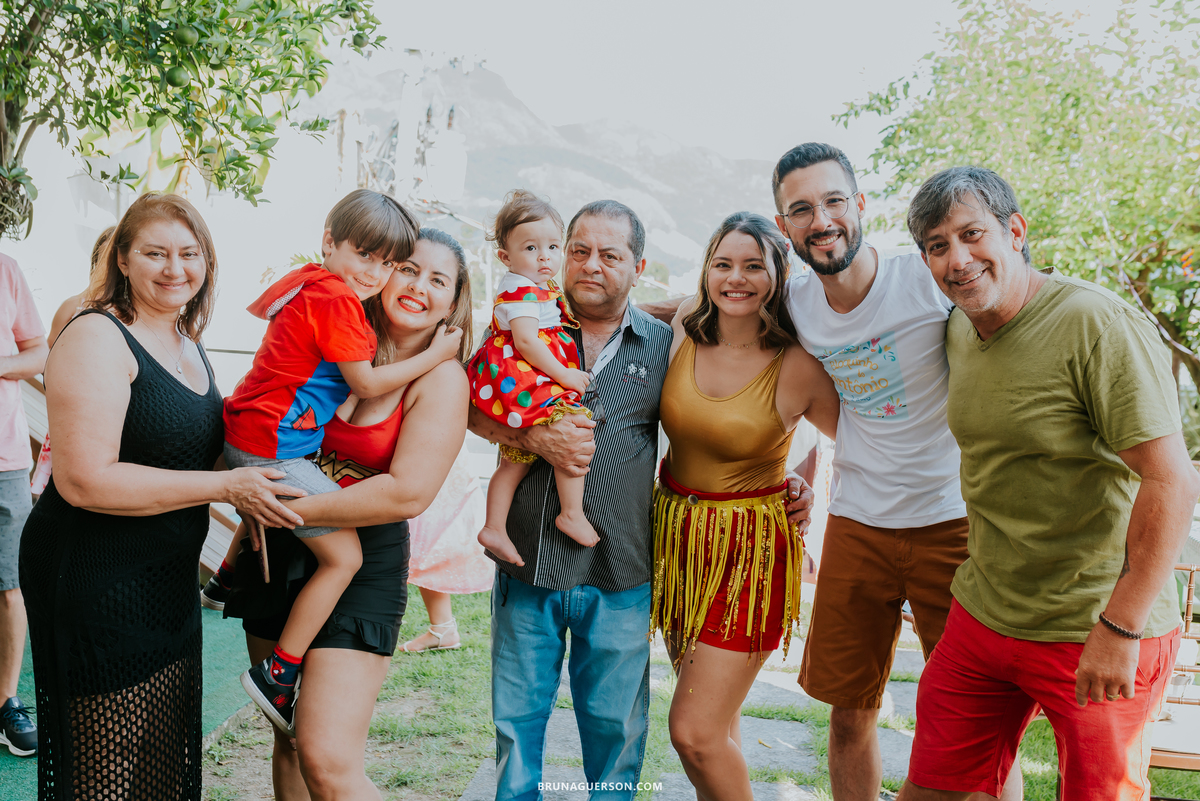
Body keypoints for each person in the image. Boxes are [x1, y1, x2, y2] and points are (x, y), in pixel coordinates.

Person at [468, 199, 816, 801]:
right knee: (517, 729)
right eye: (579, 251)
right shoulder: (520, 331)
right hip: (528, 563)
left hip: (621, 570)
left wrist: (781, 479)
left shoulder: (668, 345)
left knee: (616, 734)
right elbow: (470, 408)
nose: (591, 266)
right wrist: (527, 435)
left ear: (638, 265)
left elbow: (728, 410)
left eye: (611, 255)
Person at [896, 166, 1200, 801]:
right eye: (936, 245)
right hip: (985, 612)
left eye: (972, 234)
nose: (958, 260)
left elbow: (1171, 478)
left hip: (1095, 621)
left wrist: (1121, 629)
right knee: (931, 791)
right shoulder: (960, 326)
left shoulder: (1094, 323)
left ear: (1015, 231)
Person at [19, 192, 307, 800]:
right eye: (155, 253)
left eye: (189, 253)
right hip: (96, 573)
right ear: (122, 259)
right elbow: (85, 479)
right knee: (110, 760)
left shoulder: (183, 337)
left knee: (158, 746)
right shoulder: (98, 336)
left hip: (165, 573)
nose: (175, 268)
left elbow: (195, 443)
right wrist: (230, 487)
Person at [227, 226, 472, 800]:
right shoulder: (336, 333)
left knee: (328, 757)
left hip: (357, 559)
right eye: (408, 268)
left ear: (454, 302)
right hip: (281, 545)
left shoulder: (441, 379)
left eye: (438, 279)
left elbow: (406, 494)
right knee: (284, 738)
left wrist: (279, 507)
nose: (417, 286)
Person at [653, 212, 840, 800]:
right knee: (718, 724)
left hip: (750, 555)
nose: (737, 278)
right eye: (724, 264)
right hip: (677, 544)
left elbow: (864, 449)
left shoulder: (800, 366)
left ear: (778, 274)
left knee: (694, 733)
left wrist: (809, 489)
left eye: (754, 266)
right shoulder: (685, 322)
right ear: (707, 269)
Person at [471, 190, 596, 565]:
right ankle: (571, 513)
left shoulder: (537, 286)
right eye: (530, 248)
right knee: (573, 426)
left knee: (515, 458)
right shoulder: (519, 288)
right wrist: (566, 376)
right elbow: (526, 341)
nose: (544, 257)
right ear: (505, 257)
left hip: (521, 369)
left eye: (554, 246)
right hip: (521, 370)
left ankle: (494, 526)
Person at [0, 251, 47, 758]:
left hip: (5, 458)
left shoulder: (7, 268)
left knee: (10, 586)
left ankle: (6, 701)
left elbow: (38, 353)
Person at [31, 226, 115, 496]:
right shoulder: (74, 305)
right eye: (108, 257)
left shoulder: (130, 312)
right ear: (97, 261)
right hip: (74, 416)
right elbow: (48, 361)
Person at [399, 440, 491, 652]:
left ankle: (442, 628)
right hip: (441, 445)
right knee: (428, 535)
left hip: (433, 446)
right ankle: (442, 628)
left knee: (426, 534)